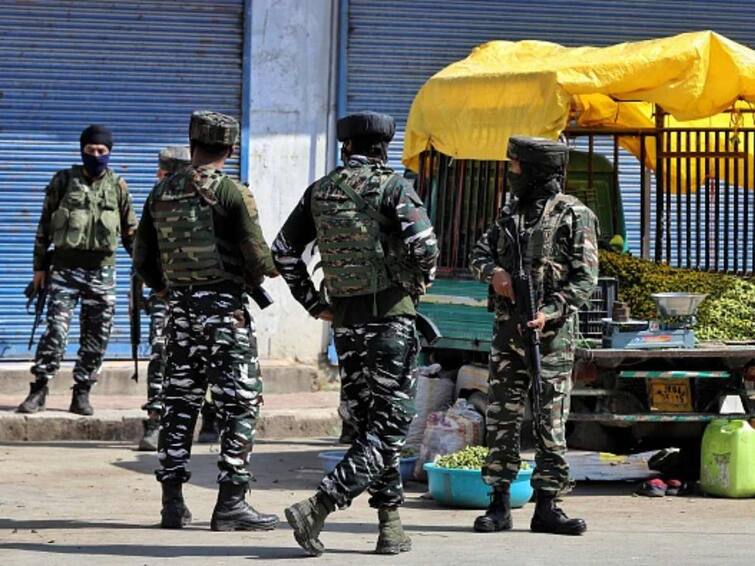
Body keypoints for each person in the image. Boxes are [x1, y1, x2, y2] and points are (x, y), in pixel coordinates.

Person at [272, 111, 438, 556]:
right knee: (390, 428)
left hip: (345, 326)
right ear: (384, 147)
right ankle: (319, 505)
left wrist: (315, 304)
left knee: (370, 425)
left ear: (345, 147)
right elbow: (426, 248)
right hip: (390, 320)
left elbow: (283, 252)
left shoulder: (320, 191)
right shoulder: (393, 187)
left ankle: (390, 525)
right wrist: (416, 285)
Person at [133, 111, 279, 531]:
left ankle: (172, 505)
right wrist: (260, 272)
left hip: (178, 317)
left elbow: (142, 257)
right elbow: (259, 258)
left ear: (191, 142)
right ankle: (231, 504)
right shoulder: (232, 192)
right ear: (231, 150)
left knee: (179, 406)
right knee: (240, 405)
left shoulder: (161, 191)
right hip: (224, 317)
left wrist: (167, 290)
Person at [468, 136, 599, 536]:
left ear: (537, 171)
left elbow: (585, 279)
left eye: (516, 168)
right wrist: (495, 275)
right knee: (502, 420)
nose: (511, 175)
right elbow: (479, 254)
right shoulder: (509, 214)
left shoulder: (575, 216)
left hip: (553, 341)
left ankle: (548, 505)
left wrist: (551, 311)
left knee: (549, 421)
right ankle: (499, 505)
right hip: (508, 337)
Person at [17, 125, 137, 416]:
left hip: (102, 273)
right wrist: (38, 269)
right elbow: (44, 227)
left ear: (109, 153)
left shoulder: (118, 186)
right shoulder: (62, 181)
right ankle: (39, 389)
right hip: (64, 270)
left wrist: (143, 268)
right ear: (82, 150)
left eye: (102, 151)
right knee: (56, 332)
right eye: (90, 150)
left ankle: (82, 392)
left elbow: (131, 232)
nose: (96, 155)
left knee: (97, 336)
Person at [137, 146, 191, 451]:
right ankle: (156, 420)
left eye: (168, 172)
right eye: (161, 171)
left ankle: (210, 418)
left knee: (209, 354)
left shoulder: (214, 198)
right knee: (160, 351)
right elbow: (141, 250)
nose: (161, 177)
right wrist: (155, 288)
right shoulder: (156, 201)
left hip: (207, 295)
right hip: (166, 293)